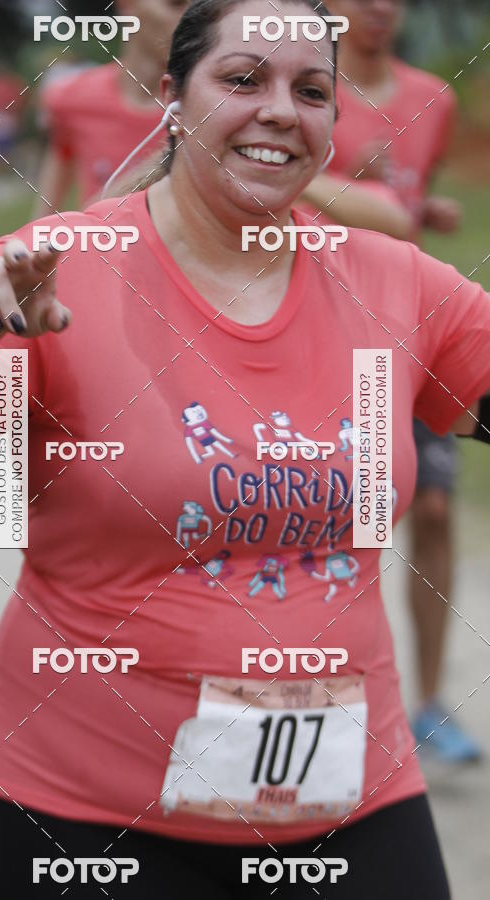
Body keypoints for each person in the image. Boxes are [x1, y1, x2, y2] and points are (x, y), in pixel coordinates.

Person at [0, 0, 489, 896]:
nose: (280, 109)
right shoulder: (57, 269)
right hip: (89, 813)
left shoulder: (395, 283)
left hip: (351, 802)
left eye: (312, 91)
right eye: (243, 79)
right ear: (172, 95)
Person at [322, 0, 480, 763]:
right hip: (323, 327)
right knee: (340, 515)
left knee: (437, 508)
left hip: (409, 327)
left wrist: (423, 210)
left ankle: (430, 705)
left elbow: (408, 207)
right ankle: (329, 694)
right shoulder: (302, 89)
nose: (380, 7)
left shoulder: (433, 98)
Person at [34, 0, 190, 214]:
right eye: (175, 4)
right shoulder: (71, 99)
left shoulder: (207, 105)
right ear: (127, 5)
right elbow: (43, 219)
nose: (192, 18)